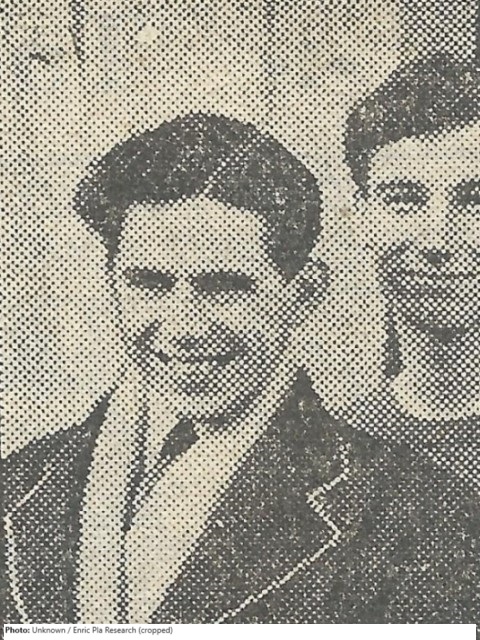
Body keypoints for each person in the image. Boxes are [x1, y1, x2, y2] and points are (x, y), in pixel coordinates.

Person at [4, 113, 478, 624]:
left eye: (224, 287)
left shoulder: (421, 514)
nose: (185, 327)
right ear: (112, 283)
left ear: (303, 294)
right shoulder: (20, 483)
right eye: (150, 284)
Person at [344, 55, 480, 491]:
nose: (438, 240)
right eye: (403, 199)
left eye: (474, 201)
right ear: (361, 218)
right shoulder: (339, 448)